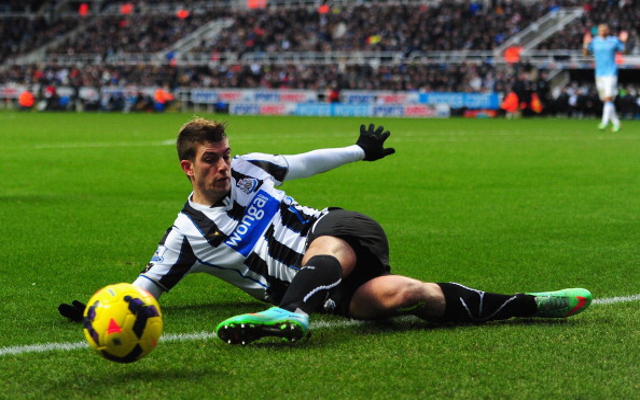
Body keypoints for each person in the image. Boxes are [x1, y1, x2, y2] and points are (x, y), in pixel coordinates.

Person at [59, 118, 593, 345]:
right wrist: (97, 310)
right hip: (321, 286)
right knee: (404, 295)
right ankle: (531, 303)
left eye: (225, 155)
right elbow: (144, 289)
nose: (224, 166)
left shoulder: (252, 167)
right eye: (211, 160)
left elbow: (304, 162)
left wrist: (360, 149)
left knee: (326, 244)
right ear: (187, 168)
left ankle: (290, 314)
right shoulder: (186, 235)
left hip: (338, 229)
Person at [583, 23, 628, 132]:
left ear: (608, 30)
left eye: (605, 29)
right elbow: (585, 54)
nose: (603, 31)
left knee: (608, 98)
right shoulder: (595, 41)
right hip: (599, 73)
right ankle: (617, 124)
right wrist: (585, 44)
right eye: (601, 29)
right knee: (606, 101)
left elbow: (624, 52)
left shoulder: (614, 40)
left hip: (611, 73)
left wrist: (624, 42)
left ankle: (604, 123)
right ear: (598, 31)